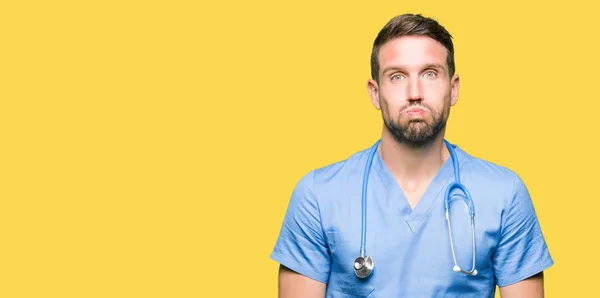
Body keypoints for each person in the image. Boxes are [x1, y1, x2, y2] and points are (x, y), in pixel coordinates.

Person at [270, 13, 553, 297]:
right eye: (397, 76)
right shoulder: (318, 196)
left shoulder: (504, 194)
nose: (415, 92)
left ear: (453, 89)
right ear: (374, 93)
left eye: (430, 73)